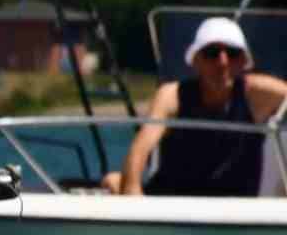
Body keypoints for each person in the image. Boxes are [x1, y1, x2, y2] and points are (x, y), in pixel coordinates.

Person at [111, 17, 287, 196]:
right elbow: (142, 146)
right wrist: (132, 191)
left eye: (232, 53)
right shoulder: (172, 96)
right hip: (172, 206)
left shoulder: (259, 94)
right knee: (124, 185)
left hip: (237, 212)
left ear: (243, 61)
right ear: (196, 61)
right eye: (212, 53)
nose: (223, 62)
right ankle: (116, 182)